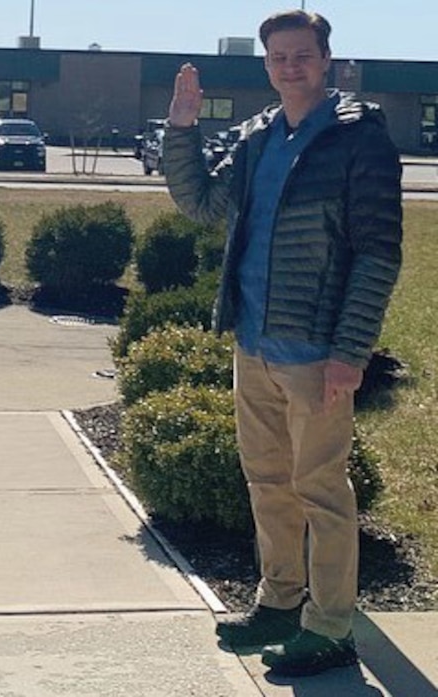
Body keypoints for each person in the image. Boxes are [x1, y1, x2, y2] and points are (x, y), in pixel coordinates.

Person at [162, 10, 402, 677]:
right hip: (255, 340)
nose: (289, 66)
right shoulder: (258, 138)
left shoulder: (360, 141)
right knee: (267, 481)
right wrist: (181, 127)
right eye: (278, 57)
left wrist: (350, 352)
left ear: (326, 60)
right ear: (266, 65)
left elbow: (379, 254)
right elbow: (203, 205)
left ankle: (328, 628)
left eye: (302, 55)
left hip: (317, 350)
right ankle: (279, 601)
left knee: (321, 489)